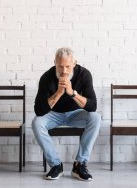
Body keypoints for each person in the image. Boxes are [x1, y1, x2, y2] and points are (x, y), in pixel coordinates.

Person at [32, 47, 101, 181]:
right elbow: (39, 110)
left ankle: (80, 164)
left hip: (76, 114)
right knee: (36, 122)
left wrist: (72, 93)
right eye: (60, 66)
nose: (64, 71)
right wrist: (58, 93)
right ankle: (56, 165)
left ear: (74, 63)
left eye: (68, 66)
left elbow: (92, 106)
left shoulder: (84, 74)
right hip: (54, 114)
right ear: (55, 63)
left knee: (96, 118)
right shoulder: (46, 77)